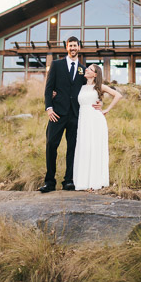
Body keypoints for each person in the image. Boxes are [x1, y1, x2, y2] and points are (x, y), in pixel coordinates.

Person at [39, 36, 100, 193]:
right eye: (70, 45)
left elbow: (94, 86)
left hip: (75, 115)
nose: (73, 48)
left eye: (75, 45)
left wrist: (99, 101)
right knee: (51, 144)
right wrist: (49, 107)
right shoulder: (56, 65)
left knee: (72, 148)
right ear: (66, 47)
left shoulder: (83, 69)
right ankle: (50, 181)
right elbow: (48, 88)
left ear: (79, 47)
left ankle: (69, 180)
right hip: (57, 113)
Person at [73, 64, 122, 190]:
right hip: (83, 120)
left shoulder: (99, 86)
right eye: (87, 68)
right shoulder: (81, 87)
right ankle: (83, 181)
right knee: (84, 148)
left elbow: (118, 95)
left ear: (95, 74)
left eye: (90, 69)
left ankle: (95, 181)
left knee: (94, 148)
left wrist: (106, 109)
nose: (86, 69)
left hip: (95, 120)